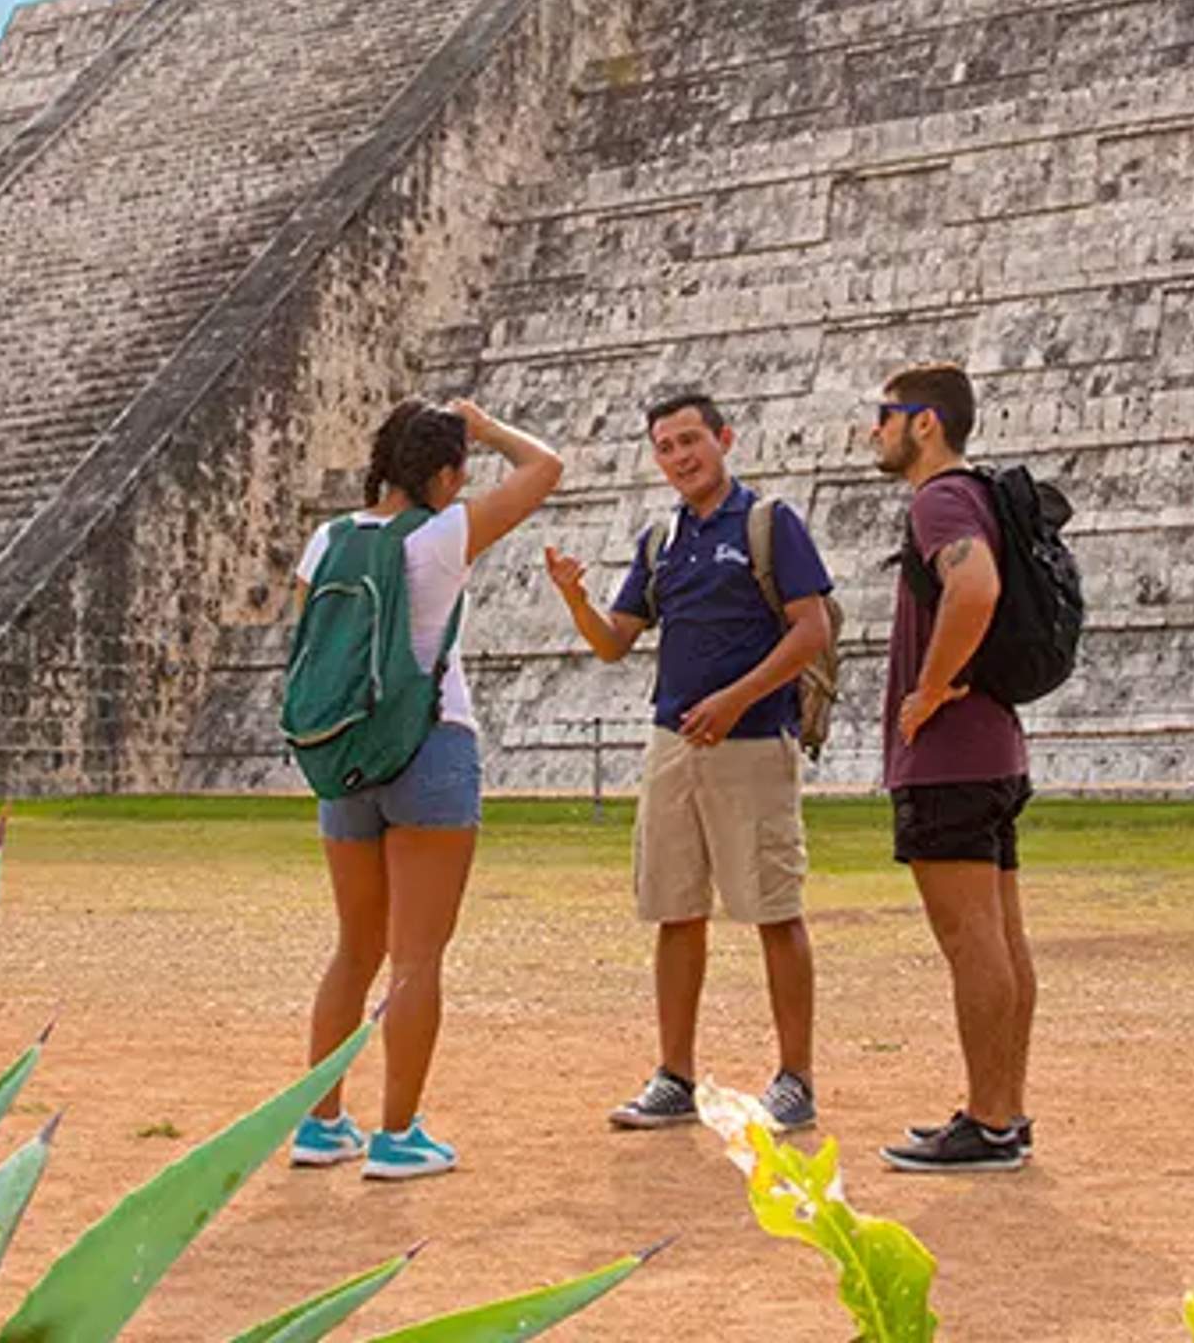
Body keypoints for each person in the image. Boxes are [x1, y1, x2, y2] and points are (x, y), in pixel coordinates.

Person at [544, 389, 835, 1134]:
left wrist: (736, 700)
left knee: (774, 909)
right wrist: (575, 599)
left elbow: (811, 630)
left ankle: (795, 1078)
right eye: (666, 447)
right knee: (675, 911)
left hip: (752, 742)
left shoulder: (769, 523)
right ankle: (674, 1075)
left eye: (690, 441)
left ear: (724, 439)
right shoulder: (661, 538)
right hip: (674, 744)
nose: (680, 457)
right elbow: (615, 642)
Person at [288, 394, 562, 1181]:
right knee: (416, 958)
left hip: (344, 753)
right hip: (430, 746)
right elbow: (545, 467)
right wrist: (487, 428)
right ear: (443, 475)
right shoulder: (441, 537)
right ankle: (398, 1134)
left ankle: (321, 1122)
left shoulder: (327, 539)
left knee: (354, 949)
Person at [868, 361, 1036, 1173]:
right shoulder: (978, 496)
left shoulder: (939, 498)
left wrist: (930, 688)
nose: (874, 431)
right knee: (1001, 940)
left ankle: (989, 1118)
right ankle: (1005, 1111)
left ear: (924, 422)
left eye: (885, 415)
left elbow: (974, 587)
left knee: (972, 943)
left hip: (949, 759)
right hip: (992, 749)